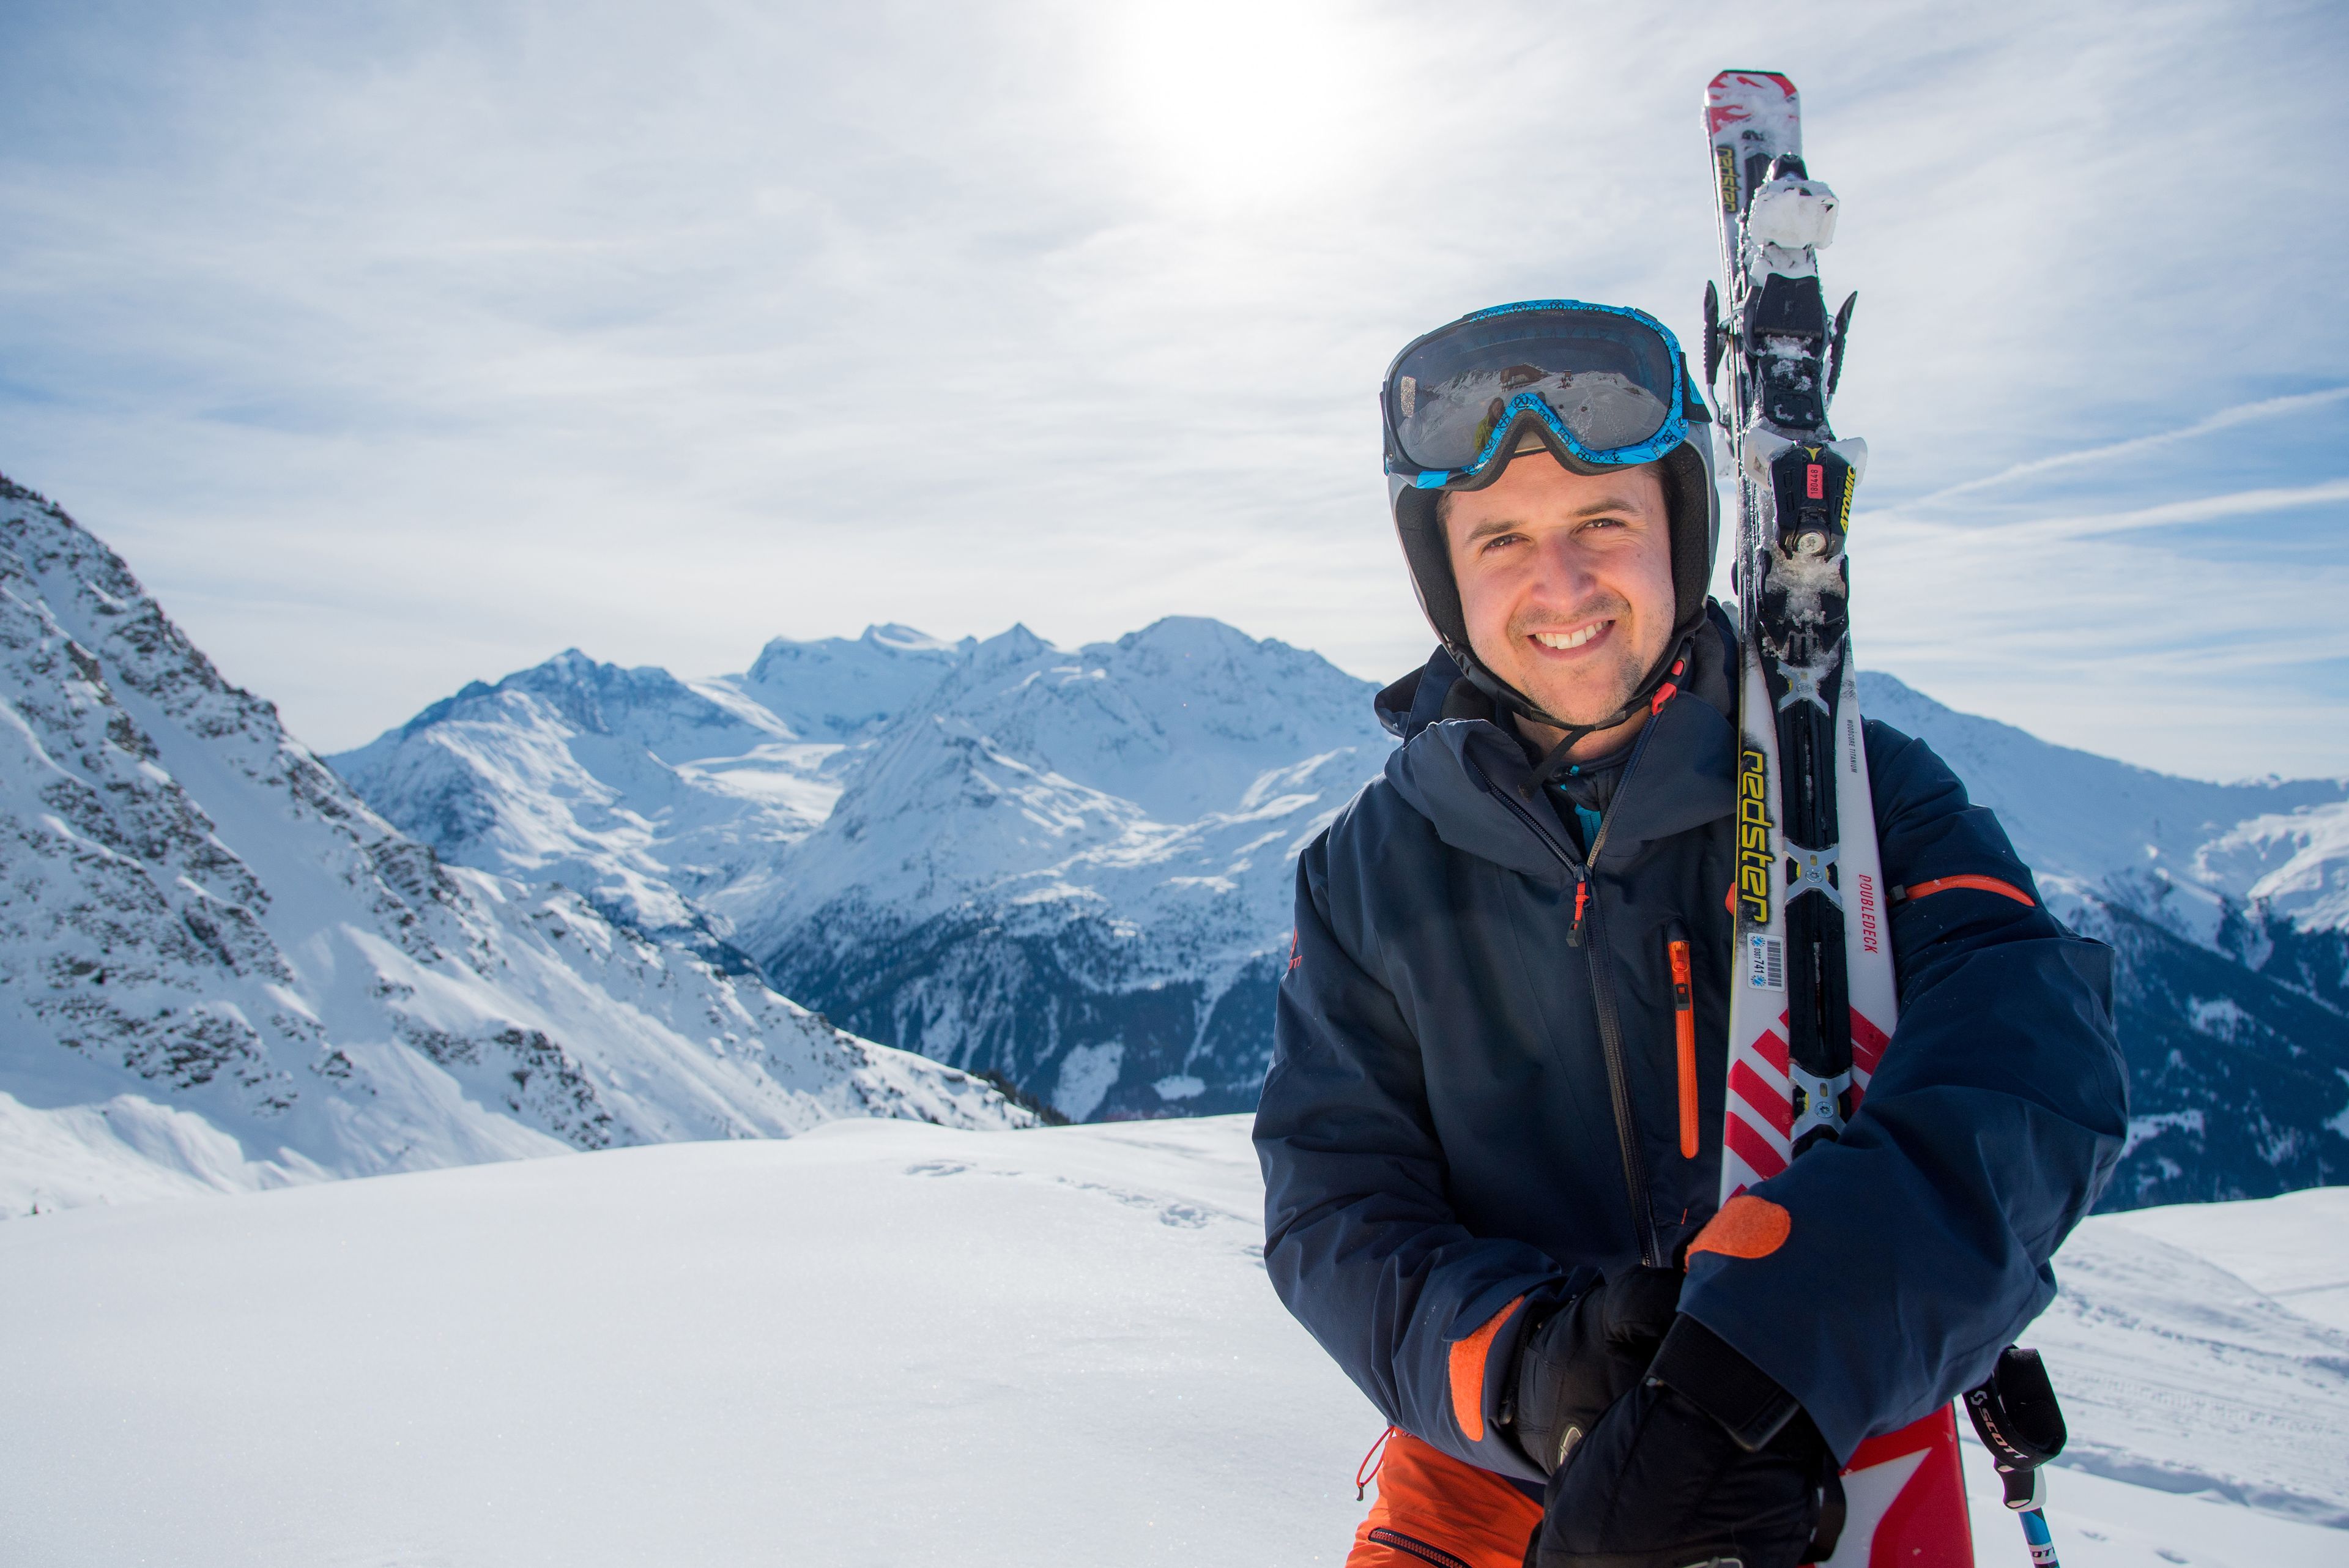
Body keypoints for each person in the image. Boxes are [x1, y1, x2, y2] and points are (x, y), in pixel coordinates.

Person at [1253, 300, 2128, 1568]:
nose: (1561, 586)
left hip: (1814, 1418)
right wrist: (1534, 1372)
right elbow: (1334, 1203)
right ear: (1444, 575)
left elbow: (2034, 1073)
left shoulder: (1865, 798)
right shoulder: (1367, 873)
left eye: (1603, 522)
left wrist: (1767, 1359)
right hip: (1497, 1450)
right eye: (1503, 539)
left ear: (1683, 532)